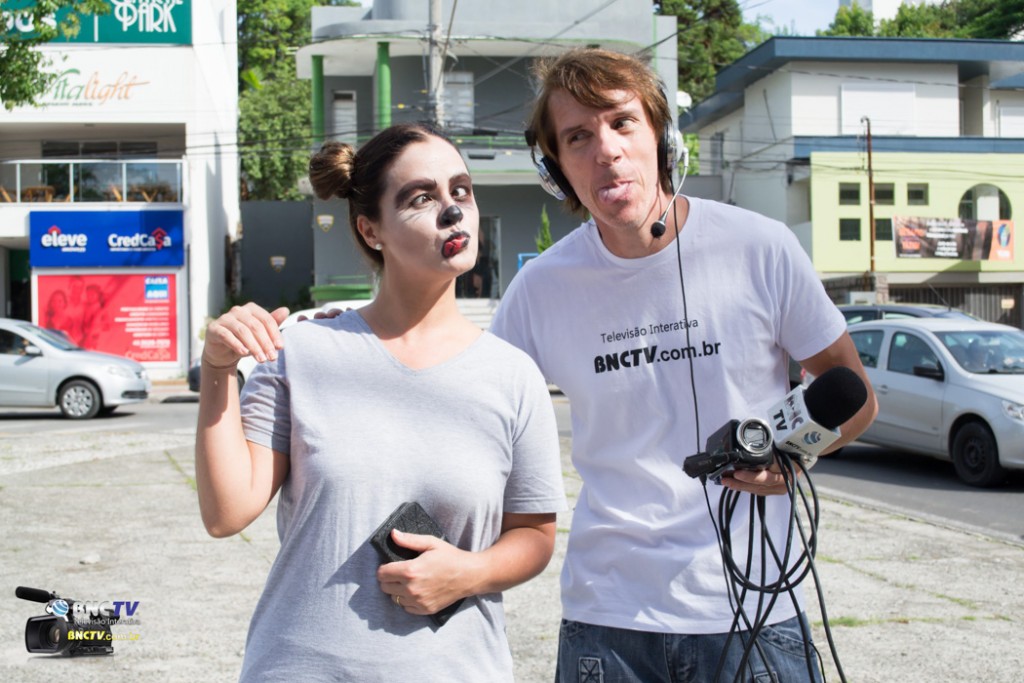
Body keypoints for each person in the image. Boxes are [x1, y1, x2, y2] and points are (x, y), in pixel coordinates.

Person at [490, 48, 878, 682]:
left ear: (663, 139)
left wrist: (794, 456)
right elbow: (479, 415)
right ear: (555, 169)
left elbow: (855, 394)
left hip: (759, 612)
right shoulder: (541, 289)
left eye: (622, 122)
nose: (606, 150)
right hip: (609, 618)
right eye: (578, 136)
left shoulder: (760, 248)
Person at [195, 123, 566, 682]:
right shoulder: (300, 351)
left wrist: (469, 573)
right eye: (421, 198)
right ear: (371, 230)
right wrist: (219, 369)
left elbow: (534, 536)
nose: (452, 211)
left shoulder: (513, 376)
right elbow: (226, 513)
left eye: (461, 190)